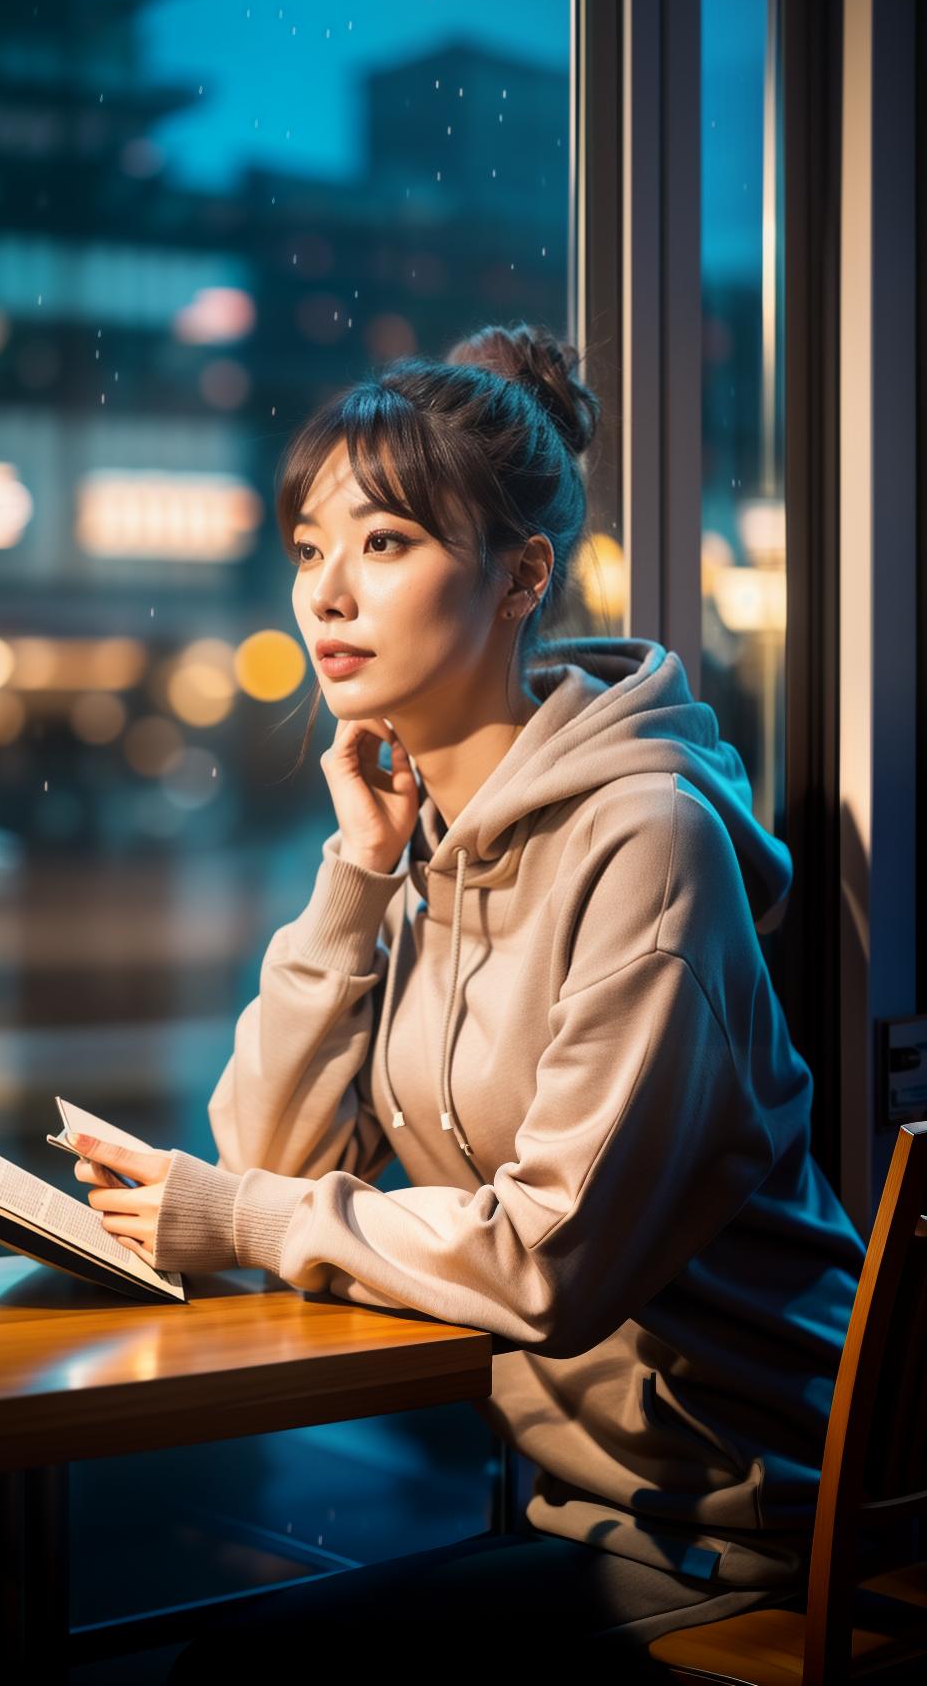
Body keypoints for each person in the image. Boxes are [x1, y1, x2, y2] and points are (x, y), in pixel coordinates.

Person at [68, 323, 866, 1669]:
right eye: (310, 549)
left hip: (764, 1527)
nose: (327, 595)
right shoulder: (431, 850)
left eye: (383, 545)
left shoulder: (648, 840)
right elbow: (268, 1163)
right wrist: (358, 875)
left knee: (212, 1671)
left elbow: (546, 1264)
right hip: (586, 1515)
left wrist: (245, 1211)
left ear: (520, 575)